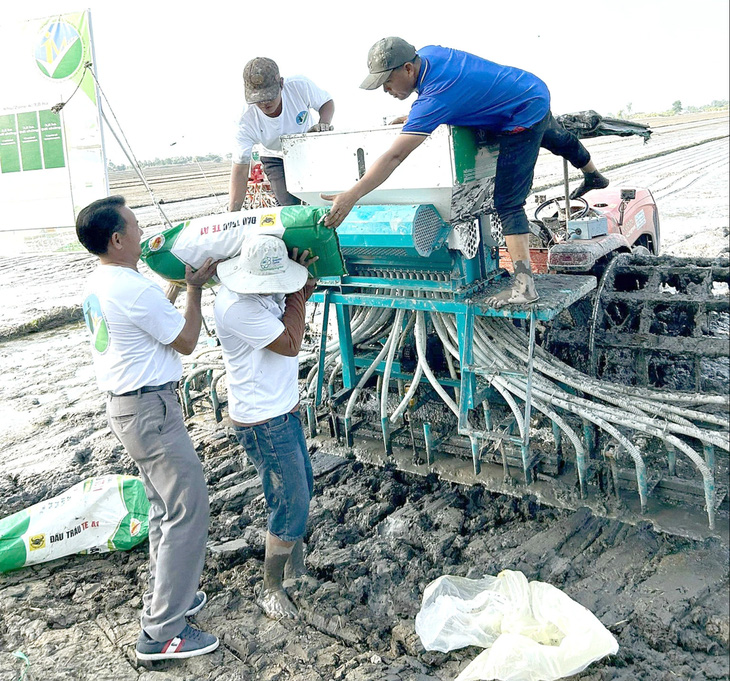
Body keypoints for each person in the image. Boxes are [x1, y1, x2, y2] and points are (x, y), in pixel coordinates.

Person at [322, 38, 609, 307]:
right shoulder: (430, 54)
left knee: (508, 202)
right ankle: (593, 174)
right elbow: (466, 88)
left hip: (520, 113)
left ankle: (525, 286)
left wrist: (352, 195)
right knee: (558, 138)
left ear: (408, 68)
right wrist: (417, 115)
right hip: (528, 87)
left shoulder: (435, 99)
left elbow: (395, 156)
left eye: (386, 82)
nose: (386, 91)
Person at [76, 196, 220, 661]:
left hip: (128, 409)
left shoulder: (101, 282)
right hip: (149, 410)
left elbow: (147, 325)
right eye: (135, 228)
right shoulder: (132, 288)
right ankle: (162, 632)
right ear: (117, 240)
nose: (142, 233)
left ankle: (169, 597)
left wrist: (173, 290)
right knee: (188, 507)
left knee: (163, 507)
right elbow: (187, 340)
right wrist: (195, 288)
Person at [214, 234, 318, 619]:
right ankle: (270, 587)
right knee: (290, 501)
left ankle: (296, 570)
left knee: (301, 489)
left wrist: (299, 285)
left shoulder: (263, 292)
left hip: (281, 410)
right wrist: (299, 293)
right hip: (263, 420)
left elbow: (294, 297)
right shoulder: (236, 307)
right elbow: (291, 342)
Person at [229, 57, 335, 210]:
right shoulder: (245, 120)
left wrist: (323, 123)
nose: (265, 103)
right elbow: (240, 169)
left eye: (270, 96)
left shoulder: (299, 86)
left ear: (281, 84)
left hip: (307, 149)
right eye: (259, 99)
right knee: (288, 207)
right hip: (275, 157)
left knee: (320, 200)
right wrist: (233, 214)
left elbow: (326, 102)